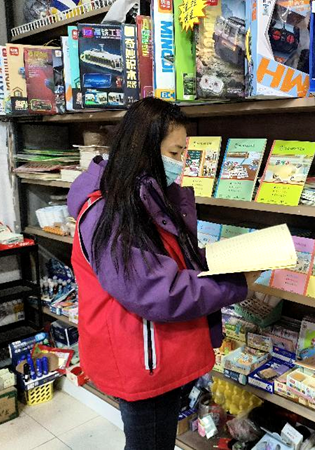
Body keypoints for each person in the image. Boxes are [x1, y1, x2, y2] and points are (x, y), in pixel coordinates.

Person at [67, 98, 259, 450]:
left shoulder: (143, 195)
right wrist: (234, 284)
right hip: (141, 362)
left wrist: (220, 259)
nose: (180, 162)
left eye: (183, 151)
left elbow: (167, 259)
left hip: (157, 354)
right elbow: (157, 291)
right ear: (143, 149)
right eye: (174, 152)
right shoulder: (110, 212)